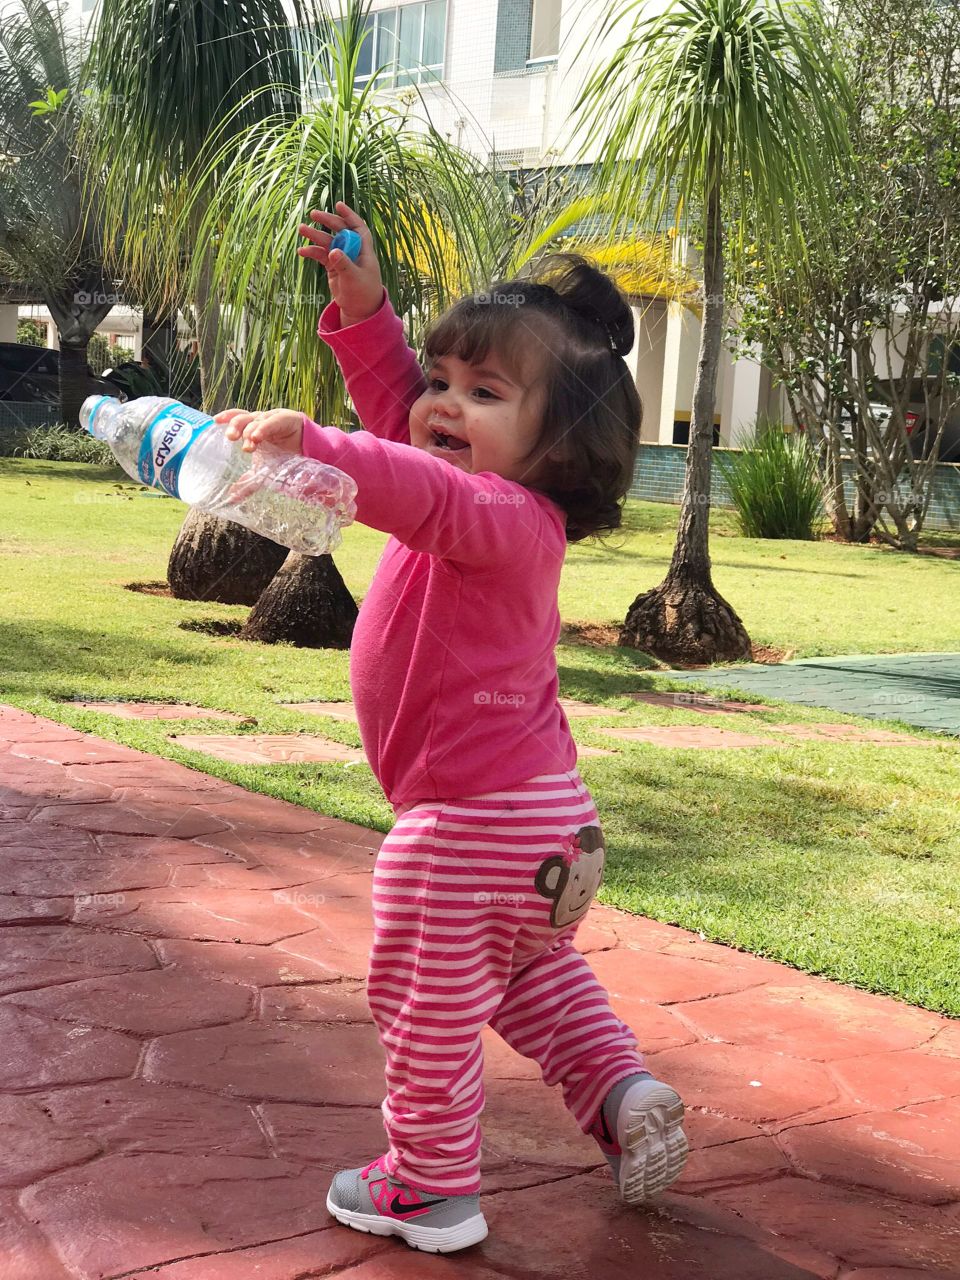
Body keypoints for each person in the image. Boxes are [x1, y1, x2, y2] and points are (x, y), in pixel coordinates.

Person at [215, 200, 688, 1255]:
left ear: (559, 444)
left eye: (485, 392)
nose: (443, 404)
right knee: (534, 974)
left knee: (425, 1002)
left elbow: (408, 482)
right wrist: (368, 312)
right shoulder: (483, 494)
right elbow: (406, 434)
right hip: (548, 831)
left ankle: (429, 1183)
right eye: (442, 378)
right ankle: (623, 1092)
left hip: (465, 828)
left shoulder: (506, 520)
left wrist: (316, 444)